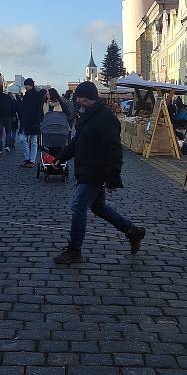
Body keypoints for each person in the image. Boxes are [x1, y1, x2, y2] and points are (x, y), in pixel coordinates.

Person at [53, 81, 146, 265]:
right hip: (85, 168)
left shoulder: (105, 117)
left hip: (95, 171)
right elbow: (77, 141)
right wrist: (62, 156)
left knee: (79, 206)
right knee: (98, 207)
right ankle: (133, 231)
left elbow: (114, 149)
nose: (77, 101)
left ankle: (74, 250)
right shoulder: (87, 116)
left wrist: (112, 176)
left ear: (86, 98)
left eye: (78, 98)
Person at [19, 78, 42, 167]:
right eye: (25, 85)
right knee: (22, 139)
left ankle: (31, 160)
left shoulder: (37, 95)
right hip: (25, 121)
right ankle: (27, 157)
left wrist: (37, 121)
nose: (25, 86)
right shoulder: (26, 95)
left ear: (30, 85)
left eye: (27, 85)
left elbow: (38, 109)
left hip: (33, 121)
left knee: (33, 141)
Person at [0, 85, 15, 154]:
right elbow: (12, 106)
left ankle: (0, 149)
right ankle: (7, 145)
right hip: (8, 117)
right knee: (8, 132)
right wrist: (13, 115)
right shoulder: (7, 97)